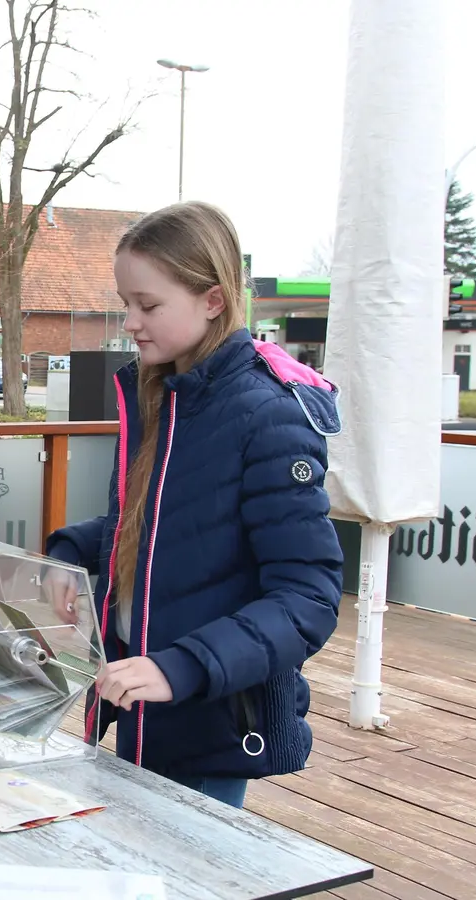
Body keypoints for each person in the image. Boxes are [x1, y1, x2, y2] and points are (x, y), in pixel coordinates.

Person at [42, 201, 342, 810]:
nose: (130, 321)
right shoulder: (166, 394)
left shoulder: (268, 415)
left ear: (212, 299)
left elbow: (308, 597)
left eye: (148, 305)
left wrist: (184, 668)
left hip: (206, 716)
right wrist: (73, 549)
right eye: (126, 303)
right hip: (143, 702)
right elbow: (168, 528)